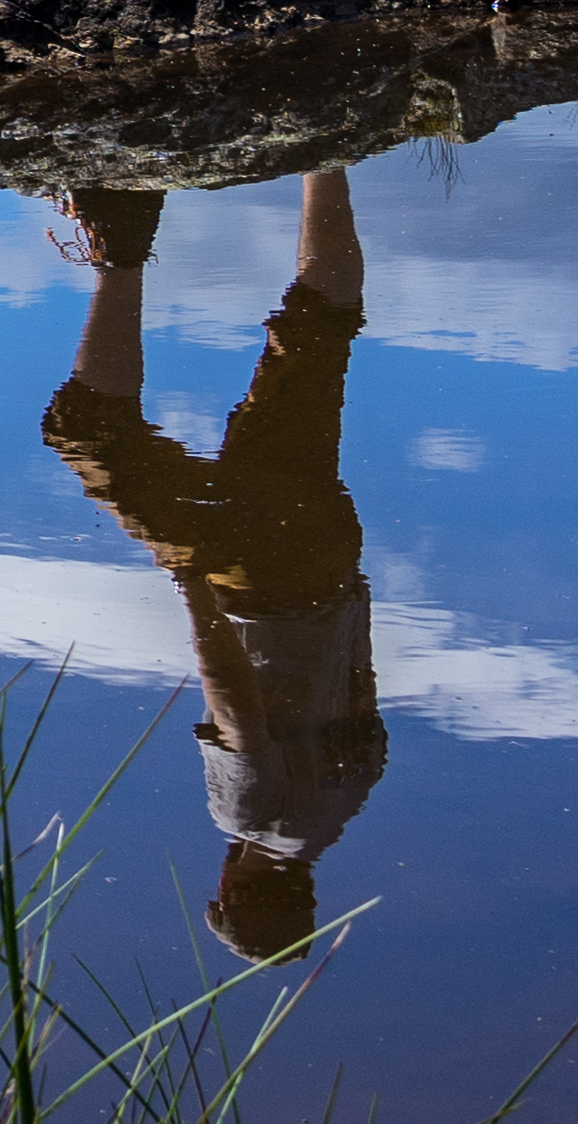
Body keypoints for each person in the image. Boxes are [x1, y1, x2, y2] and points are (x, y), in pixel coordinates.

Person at [38, 170, 385, 961]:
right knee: (89, 436)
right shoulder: (250, 818)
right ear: (234, 888)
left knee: (318, 335)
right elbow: (236, 704)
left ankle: (328, 152)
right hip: (255, 580)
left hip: (328, 553)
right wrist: (191, 587)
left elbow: (358, 673)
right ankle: (120, 245)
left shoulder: (350, 798)